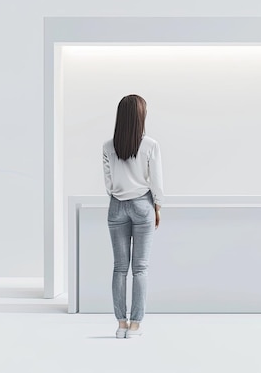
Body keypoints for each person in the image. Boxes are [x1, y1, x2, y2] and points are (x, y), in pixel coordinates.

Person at [102, 94, 164, 339]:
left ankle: (121, 324)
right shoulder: (150, 145)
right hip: (142, 206)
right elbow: (156, 182)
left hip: (116, 206)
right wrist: (157, 207)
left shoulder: (108, 146)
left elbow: (109, 184)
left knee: (119, 268)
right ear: (141, 116)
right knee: (140, 269)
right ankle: (136, 325)